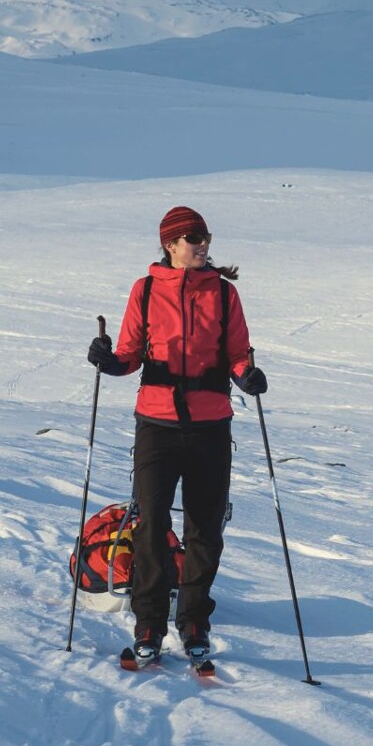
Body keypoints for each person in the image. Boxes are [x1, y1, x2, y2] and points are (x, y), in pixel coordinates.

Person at [87, 205, 266, 666]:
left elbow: (237, 353)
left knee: (205, 529)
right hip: (157, 424)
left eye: (206, 237)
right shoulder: (145, 291)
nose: (203, 245)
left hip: (210, 425)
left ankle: (193, 620)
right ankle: (149, 621)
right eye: (194, 239)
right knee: (151, 526)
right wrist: (109, 361)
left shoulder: (224, 296)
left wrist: (247, 375)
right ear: (170, 244)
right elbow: (129, 354)